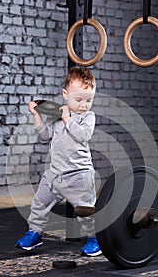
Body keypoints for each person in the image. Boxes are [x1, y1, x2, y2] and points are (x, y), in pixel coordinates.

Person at [15, 67, 102, 257]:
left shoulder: (88, 117)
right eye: (78, 100)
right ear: (65, 94)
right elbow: (44, 136)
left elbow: (83, 135)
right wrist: (36, 115)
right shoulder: (57, 117)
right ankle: (35, 234)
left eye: (89, 100)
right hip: (54, 173)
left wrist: (68, 118)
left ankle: (95, 238)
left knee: (85, 211)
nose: (84, 105)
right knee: (39, 203)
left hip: (79, 174)